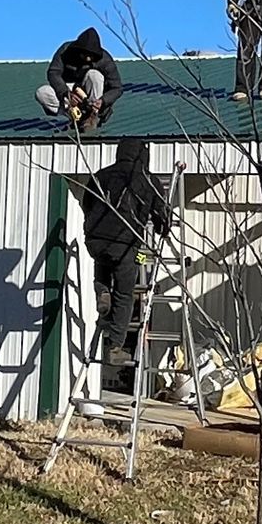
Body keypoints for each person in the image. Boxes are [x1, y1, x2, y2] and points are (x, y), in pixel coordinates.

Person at [82, 138, 171, 367]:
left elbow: (87, 204)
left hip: (95, 240)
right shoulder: (147, 181)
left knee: (103, 261)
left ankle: (102, 291)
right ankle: (116, 346)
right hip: (125, 244)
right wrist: (163, 229)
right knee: (124, 293)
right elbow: (162, 216)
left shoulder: (101, 175)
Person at [36, 27, 123, 130]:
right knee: (42, 92)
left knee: (94, 75)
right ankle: (75, 115)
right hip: (68, 91)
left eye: (91, 56)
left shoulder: (105, 59)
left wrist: (103, 101)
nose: (87, 58)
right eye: (85, 54)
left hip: (93, 94)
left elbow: (117, 87)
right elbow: (54, 72)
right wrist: (65, 93)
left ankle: (92, 115)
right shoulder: (65, 51)